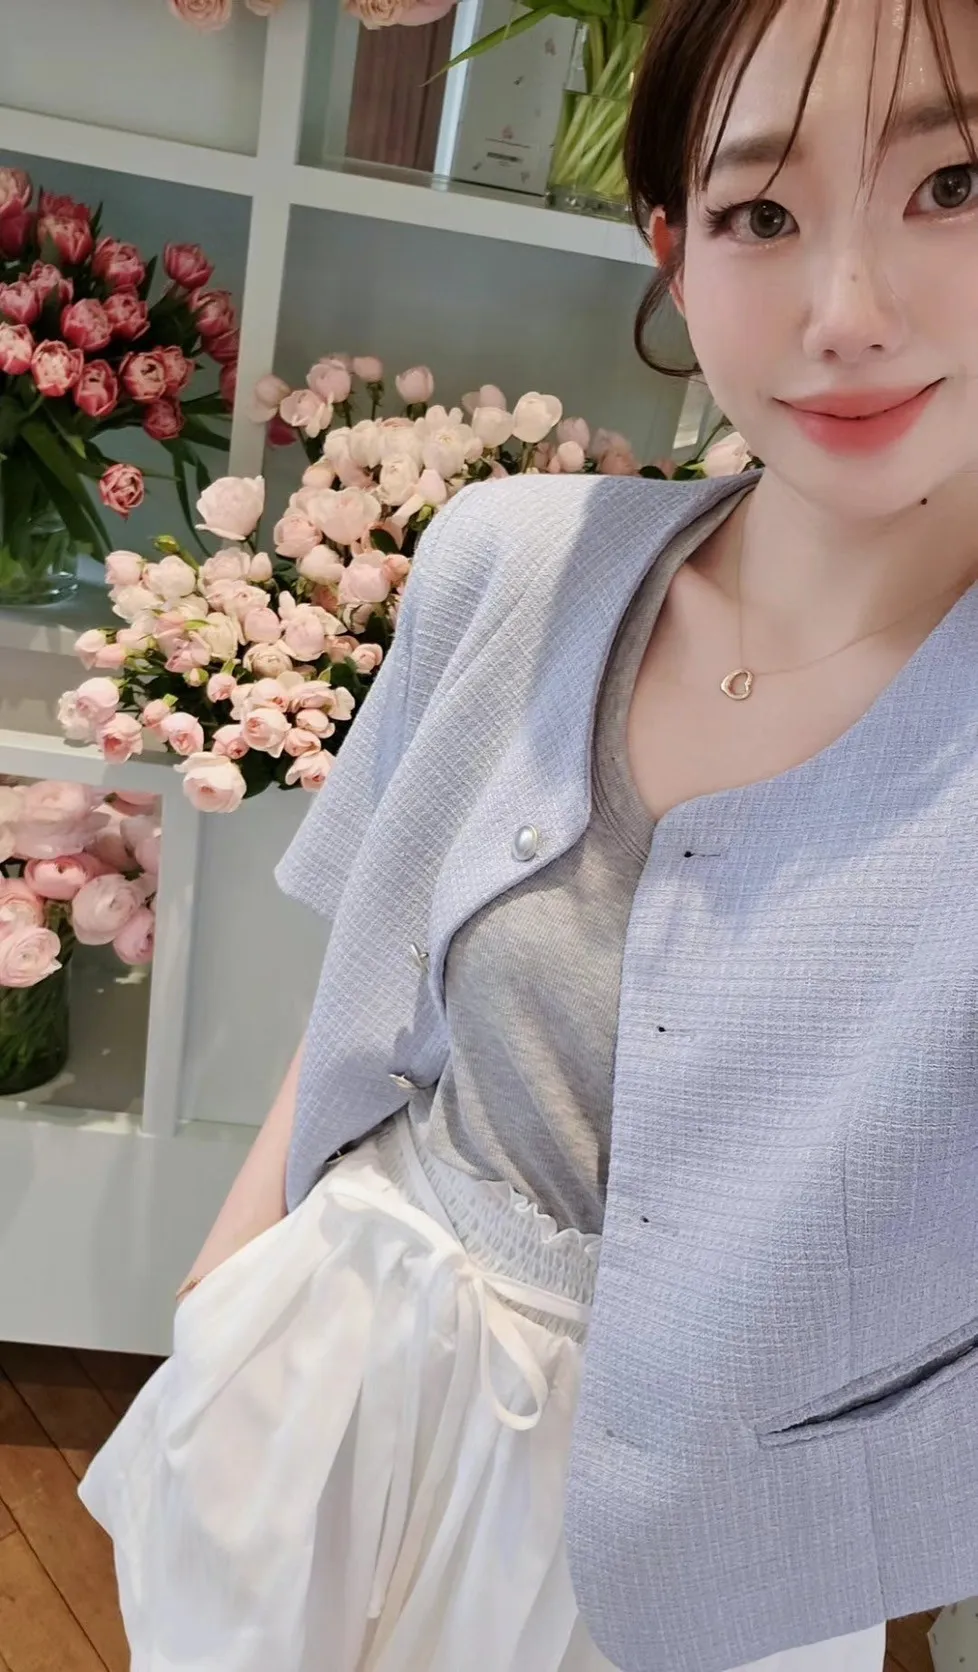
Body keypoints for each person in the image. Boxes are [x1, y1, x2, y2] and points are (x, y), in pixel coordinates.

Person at [77, 0, 978, 1666]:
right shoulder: (513, 561)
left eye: (953, 183)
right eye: (758, 212)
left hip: (707, 1559)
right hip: (331, 1383)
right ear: (672, 251)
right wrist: (226, 1288)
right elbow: (372, 980)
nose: (847, 313)